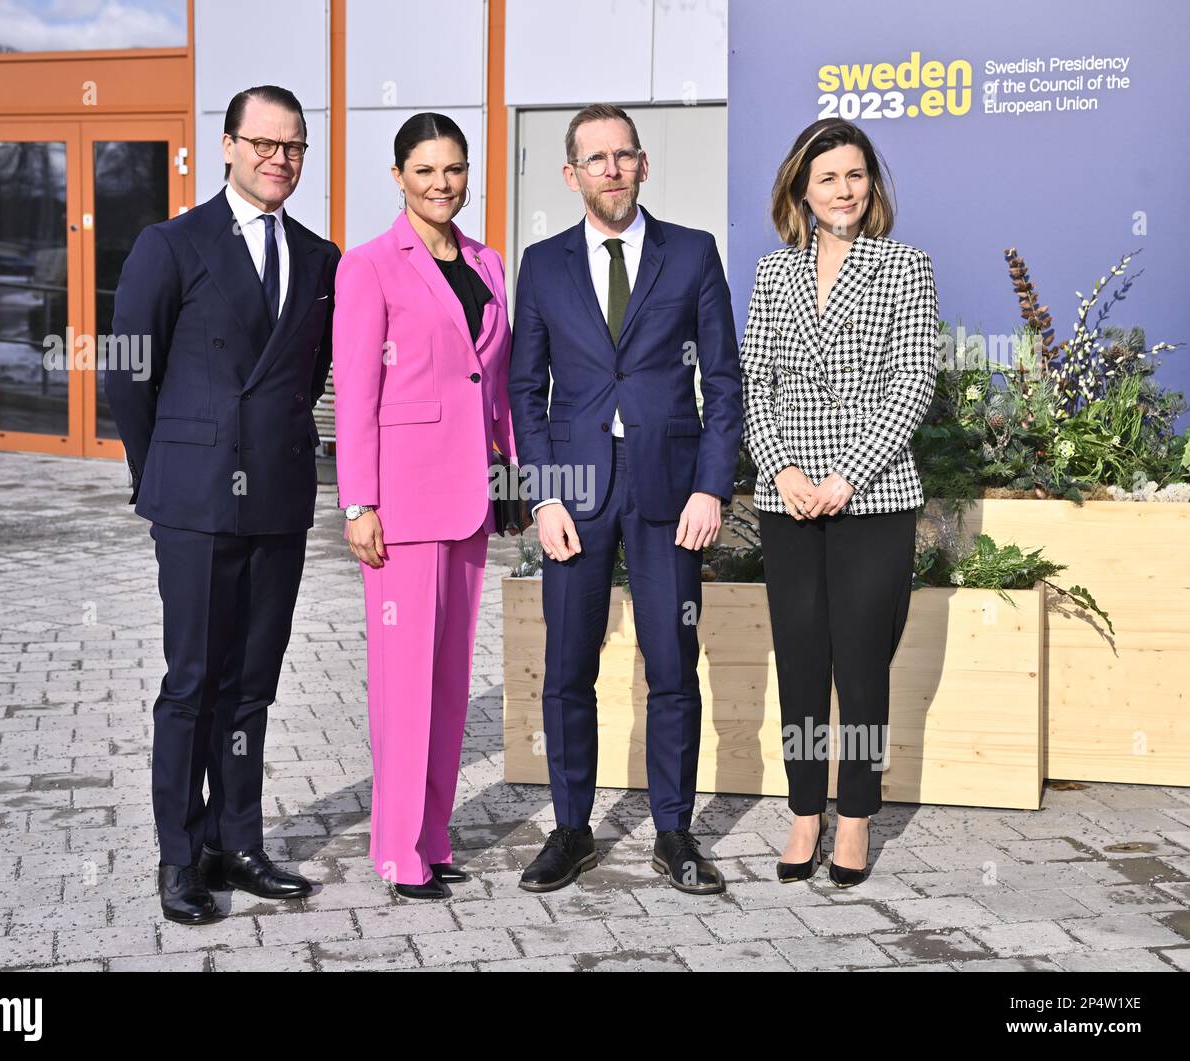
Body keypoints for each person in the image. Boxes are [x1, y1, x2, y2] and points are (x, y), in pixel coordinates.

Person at [105, 85, 340, 924]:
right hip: (196, 502)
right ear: (230, 146)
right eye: (265, 144)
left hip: (277, 497)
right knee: (194, 681)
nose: (281, 159)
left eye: (295, 147)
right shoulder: (170, 244)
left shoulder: (321, 258)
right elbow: (128, 372)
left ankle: (236, 840)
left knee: (253, 684)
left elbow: (304, 379)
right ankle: (179, 856)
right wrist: (163, 471)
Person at [508, 103, 743, 895]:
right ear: (570, 174)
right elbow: (523, 387)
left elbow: (722, 379)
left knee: (673, 664)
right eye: (595, 158)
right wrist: (542, 496)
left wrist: (713, 483)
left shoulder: (693, 254)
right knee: (568, 666)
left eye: (624, 155)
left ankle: (673, 832)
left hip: (670, 492)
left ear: (644, 165)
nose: (611, 169)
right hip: (572, 495)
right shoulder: (541, 264)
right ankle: (571, 829)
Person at [739, 117, 939, 888]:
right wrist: (782, 468)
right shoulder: (771, 274)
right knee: (799, 664)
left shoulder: (904, 267)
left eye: (856, 176)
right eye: (828, 178)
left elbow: (913, 382)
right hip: (789, 499)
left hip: (872, 495)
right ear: (801, 189)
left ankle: (853, 817)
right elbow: (757, 383)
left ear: (872, 185)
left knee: (860, 670)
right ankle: (803, 813)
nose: (844, 190)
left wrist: (845, 476)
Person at [333, 112, 516, 901]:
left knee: (446, 682)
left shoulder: (487, 260)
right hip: (401, 505)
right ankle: (394, 850)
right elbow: (356, 395)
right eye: (426, 170)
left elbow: (493, 382)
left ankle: (434, 837)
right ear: (400, 176)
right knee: (402, 684)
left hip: (471, 498)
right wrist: (357, 502)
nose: (443, 184)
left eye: (455, 168)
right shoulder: (370, 265)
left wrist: (509, 473)